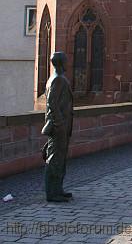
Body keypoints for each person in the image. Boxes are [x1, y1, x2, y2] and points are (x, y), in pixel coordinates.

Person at [41, 52, 74, 202]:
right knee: (54, 159)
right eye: (66, 61)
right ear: (61, 63)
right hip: (58, 127)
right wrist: (60, 124)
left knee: (60, 158)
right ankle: (52, 193)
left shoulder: (56, 79)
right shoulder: (57, 80)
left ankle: (58, 189)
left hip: (62, 126)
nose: (68, 63)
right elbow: (52, 105)